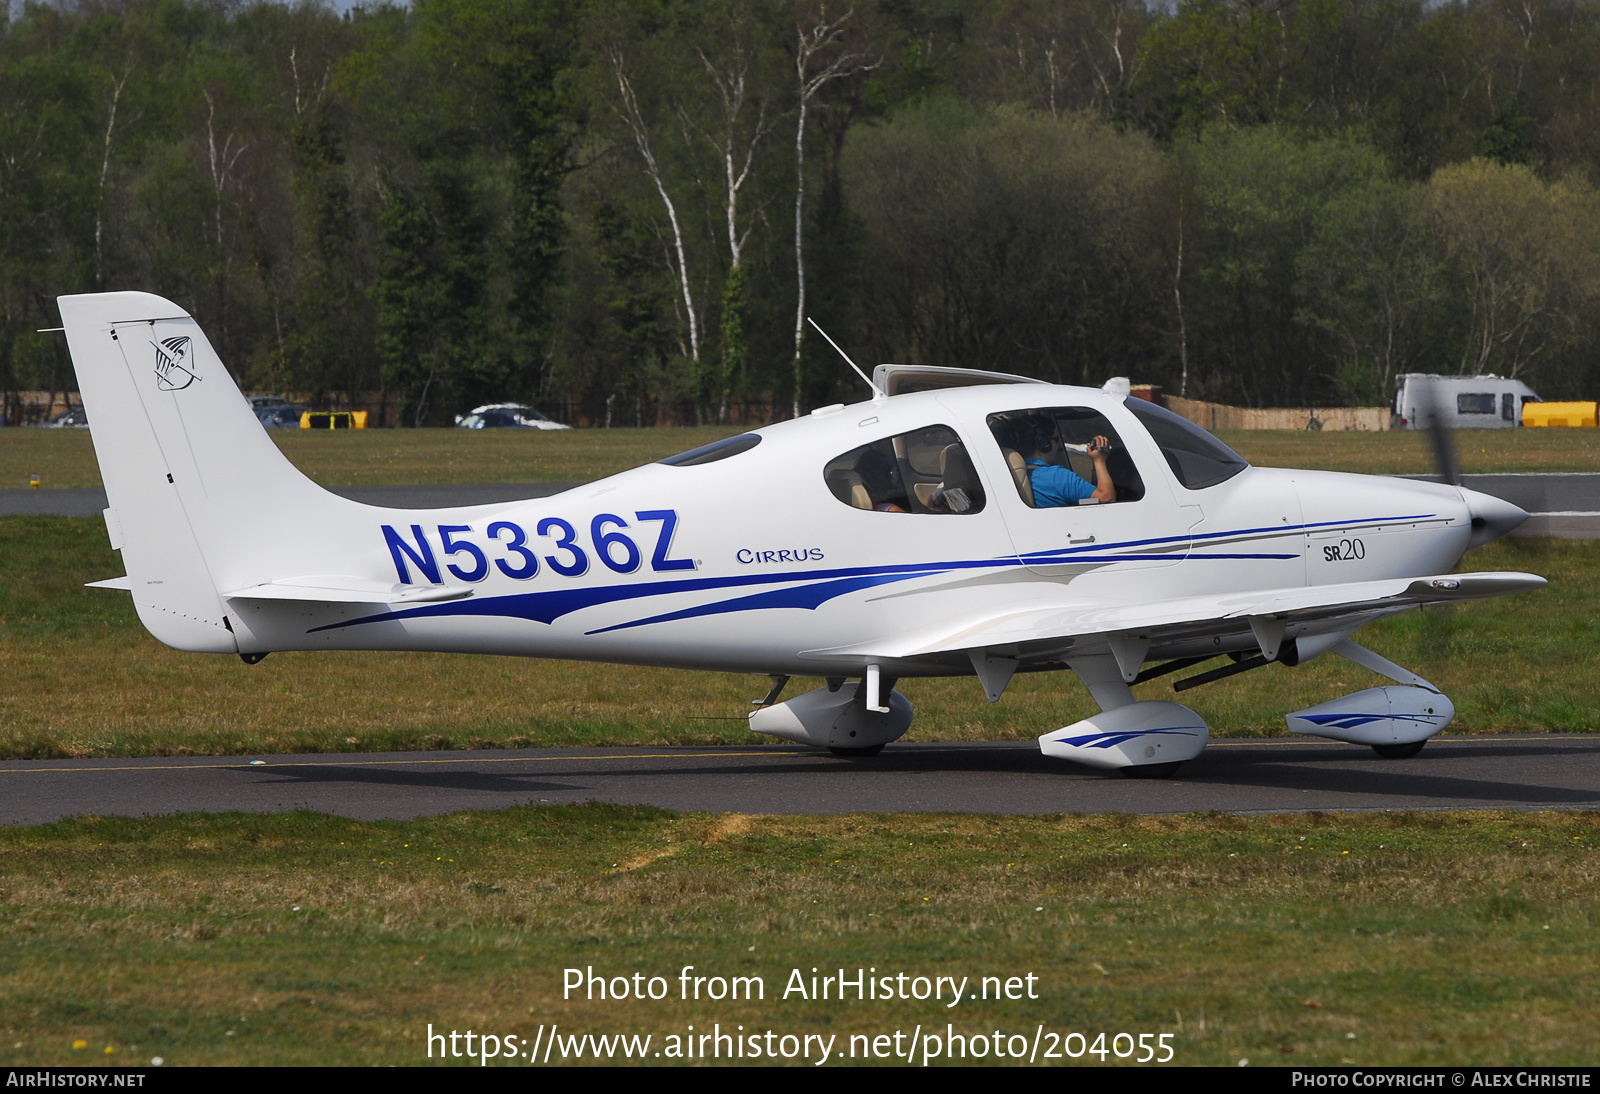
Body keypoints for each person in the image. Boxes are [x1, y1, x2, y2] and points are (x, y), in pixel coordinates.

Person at [1020, 417, 1116, 507]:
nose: (1059, 446)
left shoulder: (1013, 473)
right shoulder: (1056, 476)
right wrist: (1099, 461)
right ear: (1044, 443)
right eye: (1057, 439)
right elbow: (1107, 499)